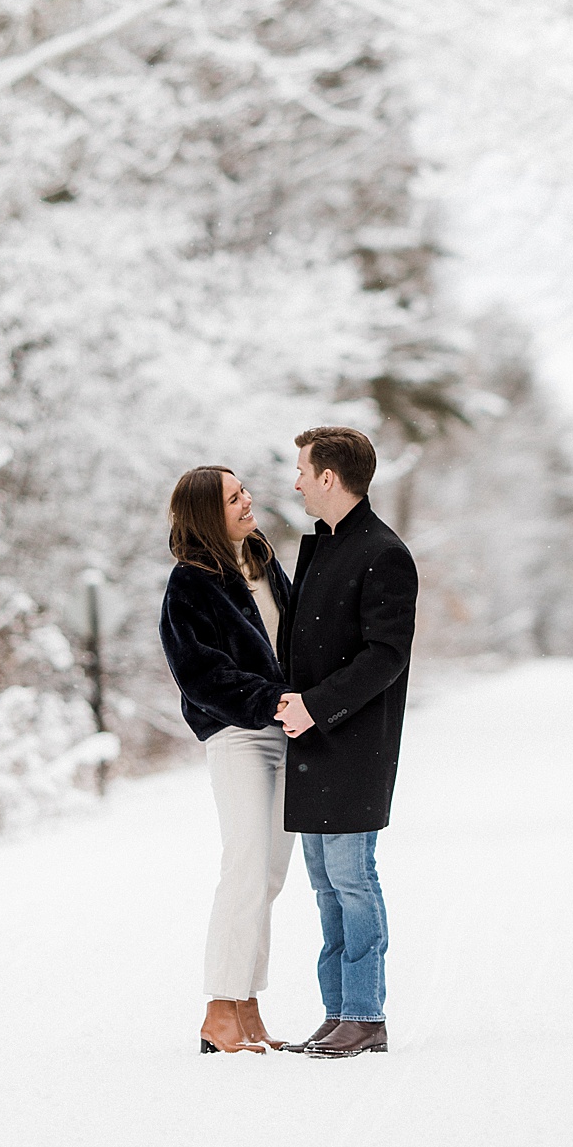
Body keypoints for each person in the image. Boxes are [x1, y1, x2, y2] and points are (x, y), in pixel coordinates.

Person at [275, 426, 419, 1059]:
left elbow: (385, 655)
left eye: (303, 470)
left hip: (354, 740)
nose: (296, 480)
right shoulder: (323, 548)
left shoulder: (384, 552)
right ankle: (338, 1011)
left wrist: (316, 706)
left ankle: (367, 1013)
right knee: (324, 884)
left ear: (329, 477)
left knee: (352, 878)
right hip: (312, 741)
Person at [158, 464, 294, 1056]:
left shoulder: (262, 561)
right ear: (207, 514)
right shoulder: (190, 583)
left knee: (269, 875)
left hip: (289, 732)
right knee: (243, 866)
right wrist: (270, 700)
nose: (247, 501)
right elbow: (199, 674)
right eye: (233, 498)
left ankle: (248, 1008)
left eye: (243, 492)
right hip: (238, 735)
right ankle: (218, 1011)